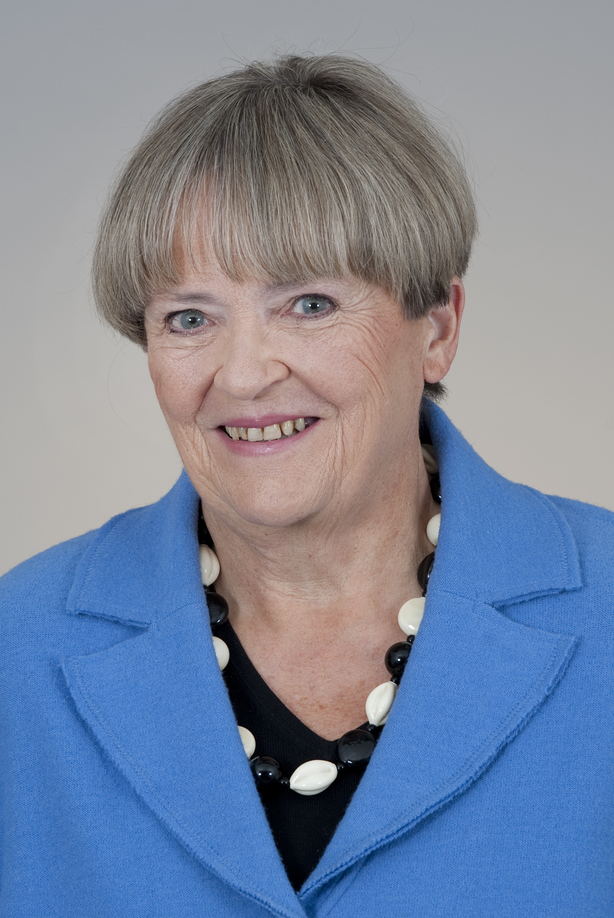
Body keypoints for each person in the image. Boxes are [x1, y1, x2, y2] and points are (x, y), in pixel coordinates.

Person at [1, 54, 613, 918]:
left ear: (438, 328)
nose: (244, 374)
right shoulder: (18, 647)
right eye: (189, 317)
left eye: (310, 304)